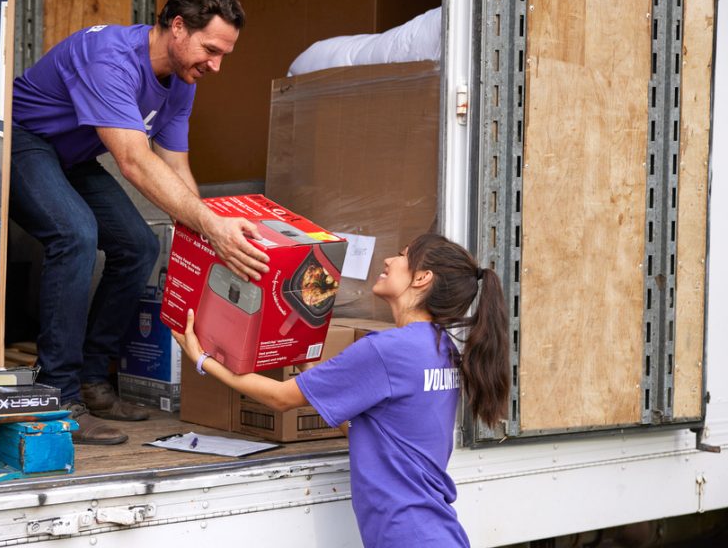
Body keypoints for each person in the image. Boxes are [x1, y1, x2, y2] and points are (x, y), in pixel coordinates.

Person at [9, 0, 269, 445]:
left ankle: (92, 380)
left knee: (138, 244)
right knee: (76, 234)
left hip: (72, 156)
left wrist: (208, 235)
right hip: (22, 141)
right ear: (177, 27)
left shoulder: (181, 78)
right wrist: (211, 225)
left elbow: (174, 164)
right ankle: (57, 394)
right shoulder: (110, 58)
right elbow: (133, 161)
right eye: (211, 49)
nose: (216, 66)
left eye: (223, 55)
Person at [173, 233, 511, 547]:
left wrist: (203, 359)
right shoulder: (439, 349)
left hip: (407, 536)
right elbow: (376, 433)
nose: (389, 261)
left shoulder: (388, 349)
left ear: (422, 278)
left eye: (402, 256)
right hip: (431, 532)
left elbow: (282, 397)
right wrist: (318, 378)